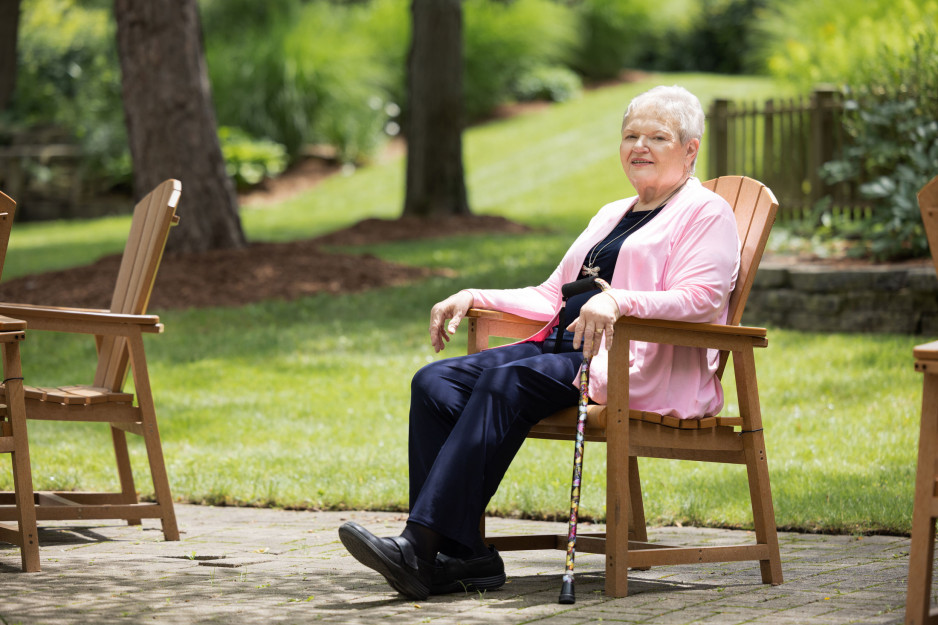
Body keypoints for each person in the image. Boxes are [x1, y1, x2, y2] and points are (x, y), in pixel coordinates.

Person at [338, 85, 740, 600]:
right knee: (435, 381)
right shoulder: (612, 214)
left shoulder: (705, 213)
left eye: (657, 136)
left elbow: (703, 298)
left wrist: (620, 301)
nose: (639, 146)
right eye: (630, 135)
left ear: (690, 149)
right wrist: (473, 294)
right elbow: (554, 293)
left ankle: (421, 546)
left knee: (506, 382)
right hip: (563, 349)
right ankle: (462, 556)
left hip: (629, 362)